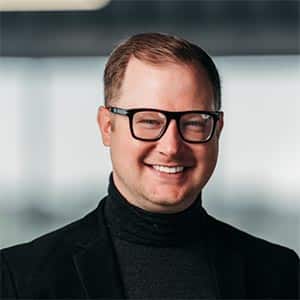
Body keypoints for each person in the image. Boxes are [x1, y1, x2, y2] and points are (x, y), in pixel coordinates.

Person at [1, 32, 299, 299]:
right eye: (148, 121)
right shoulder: (19, 279)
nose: (170, 147)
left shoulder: (280, 274)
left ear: (217, 130)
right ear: (107, 126)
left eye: (193, 122)